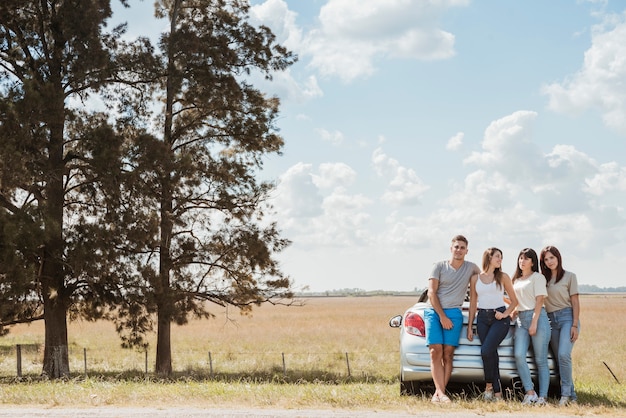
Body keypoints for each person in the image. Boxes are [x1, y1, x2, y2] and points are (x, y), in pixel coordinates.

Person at [425, 234, 480, 403]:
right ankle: (441, 393)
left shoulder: (472, 268)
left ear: (467, 251)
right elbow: (431, 293)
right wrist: (442, 316)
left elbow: (488, 278)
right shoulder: (439, 266)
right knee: (435, 351)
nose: (459, 250)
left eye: (462, 247)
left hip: (454, 313)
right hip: (434, 312)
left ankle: (439, 393)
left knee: (448, 354)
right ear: (451, 249)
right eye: (456, 247)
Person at [467, 247, 518, 401]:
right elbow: (473, 304)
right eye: (497, 256)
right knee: (491, 354)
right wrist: (470, 326)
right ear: (488, 258)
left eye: (501, 257)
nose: (500, 260)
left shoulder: (503, 277)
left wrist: (504, 314)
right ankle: (497, 394)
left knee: (486, 351)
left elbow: (515, 301)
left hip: (499, 319)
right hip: (482, 318)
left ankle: (489, 387)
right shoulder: (475, 278)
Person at [540, 246, 580, 406]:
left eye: (552, 257)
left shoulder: (570, 276)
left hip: (567, 318)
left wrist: (575, 325)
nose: (550, 261)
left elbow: (576, 301)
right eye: (546, 259)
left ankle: (564, 396)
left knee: (564, 355)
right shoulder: (542, 279)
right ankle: (573, 396)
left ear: (558, 257)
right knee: (559, 359)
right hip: (551, 321)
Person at [511, 248, 551, 406]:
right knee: (519, 355)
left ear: (533, 262)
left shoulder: (537, 277)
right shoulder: (517, 280)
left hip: (537, 318)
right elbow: (519, 301)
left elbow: (539, 301)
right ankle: (530, 393)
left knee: (540, 360)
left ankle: (543, 397)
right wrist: (513, 312)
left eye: (526, 259)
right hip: (521, 320)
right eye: (521, 258)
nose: (522, 261)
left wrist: (534, 322)